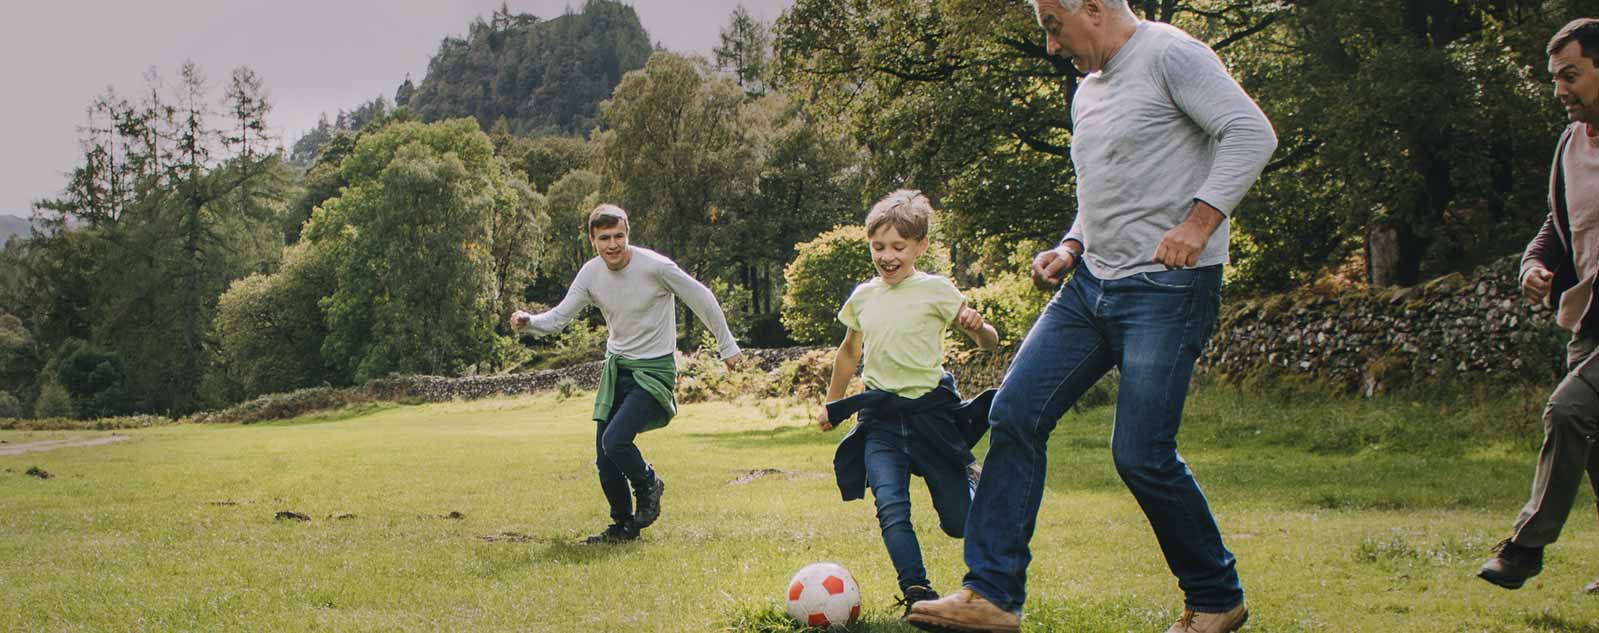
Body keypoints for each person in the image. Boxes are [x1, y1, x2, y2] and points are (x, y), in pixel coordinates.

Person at [907, 0, 1277, 631]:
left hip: (1167, 289)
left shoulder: (1170, 54)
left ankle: (1217, 597)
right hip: (1090, 286)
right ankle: (991, 594)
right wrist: (1072, 244)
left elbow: (1251, 133)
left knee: (1140, 453)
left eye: (1054, 27)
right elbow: (1106, 187)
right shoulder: (1089, 89)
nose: (1052, 47)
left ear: (1095, 8)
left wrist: (1199, 221)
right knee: (1014, 413)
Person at [814, 189, 1000, 617]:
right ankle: (918, 592)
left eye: (898, 246)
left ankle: (975, 489)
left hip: (931, 417)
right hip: (880, 419)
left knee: (958, 523)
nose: (887, 256)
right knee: (891, 506)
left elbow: (989, 342)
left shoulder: (937, 290)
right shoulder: (863, 296)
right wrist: (832, 402)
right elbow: (848, 351)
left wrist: (979, 327)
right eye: (878, 247)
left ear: (921, 246)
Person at [510, 204, 742, 545]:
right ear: (593, 240)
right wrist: (530, 321)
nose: (613, 245)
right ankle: (622, 526)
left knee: (615, 440)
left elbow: (701, 297)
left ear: (627, 234)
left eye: (619, 236)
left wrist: (728, 345)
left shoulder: (656, 267)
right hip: (617, 369)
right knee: (605, 460)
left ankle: (649, 483)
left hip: (653, 371)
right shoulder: (590, 274)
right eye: (604, 238)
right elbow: (559, 317)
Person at [1479, 17, 1599, 596]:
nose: (1560, 90)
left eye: (1570, 75)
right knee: (1595, 439)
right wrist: (1533, 265)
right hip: (1590, 317)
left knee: (1569, 410)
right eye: (1555, 78)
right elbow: (1557, 224)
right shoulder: (1571, 144)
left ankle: (1523, 550)